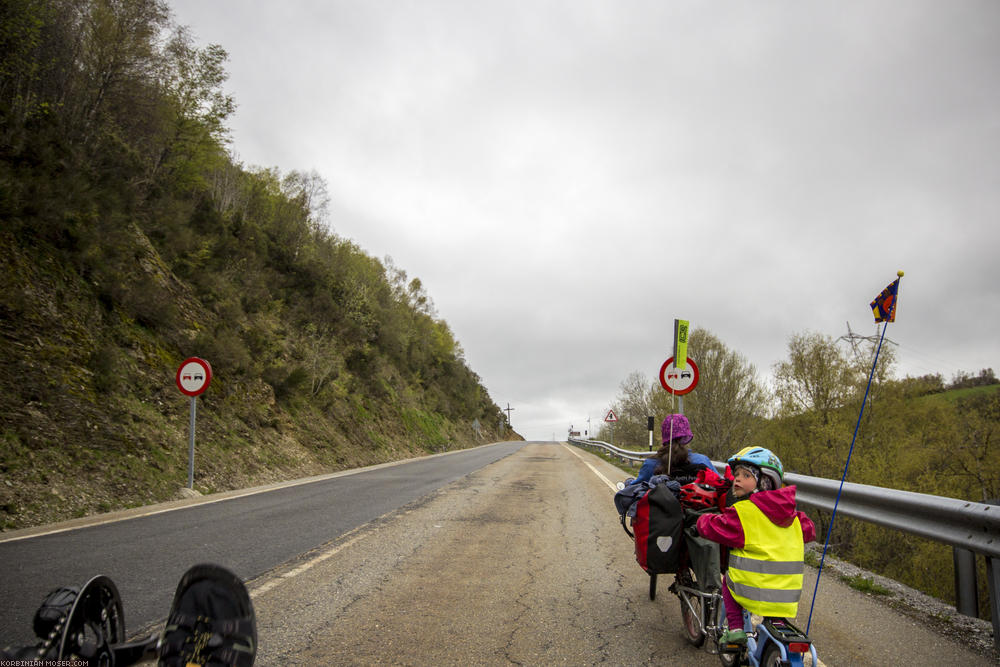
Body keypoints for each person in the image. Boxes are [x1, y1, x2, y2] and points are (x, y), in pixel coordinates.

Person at [695, 446, 816, 648]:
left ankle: (735, 630)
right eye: (737, 474)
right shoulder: (793, 515)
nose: (737, 479)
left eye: (746, 475)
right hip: (787, 593)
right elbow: (809, 530)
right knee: (772, 607)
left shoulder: (744, 513)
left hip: (752, 590)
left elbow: (715, 528)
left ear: (765, 481)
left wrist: (703, 520)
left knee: (728, 582)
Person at [631, 414, 713, 486]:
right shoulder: (702, 461)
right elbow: (719, 485)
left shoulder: (651, 464)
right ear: (687, 436)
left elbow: (634, 492)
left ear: (664, 435)